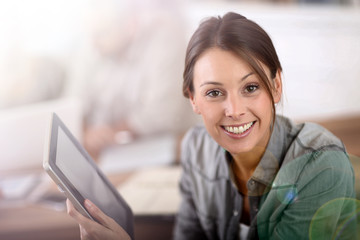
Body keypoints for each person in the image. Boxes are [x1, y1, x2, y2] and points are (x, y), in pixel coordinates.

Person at [67, 12, 358, 240]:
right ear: (193, 99)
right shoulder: (197, 149)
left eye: (251, 87)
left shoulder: (321, 164)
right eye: (214, 93)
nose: (234, 111)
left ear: (276, 86)